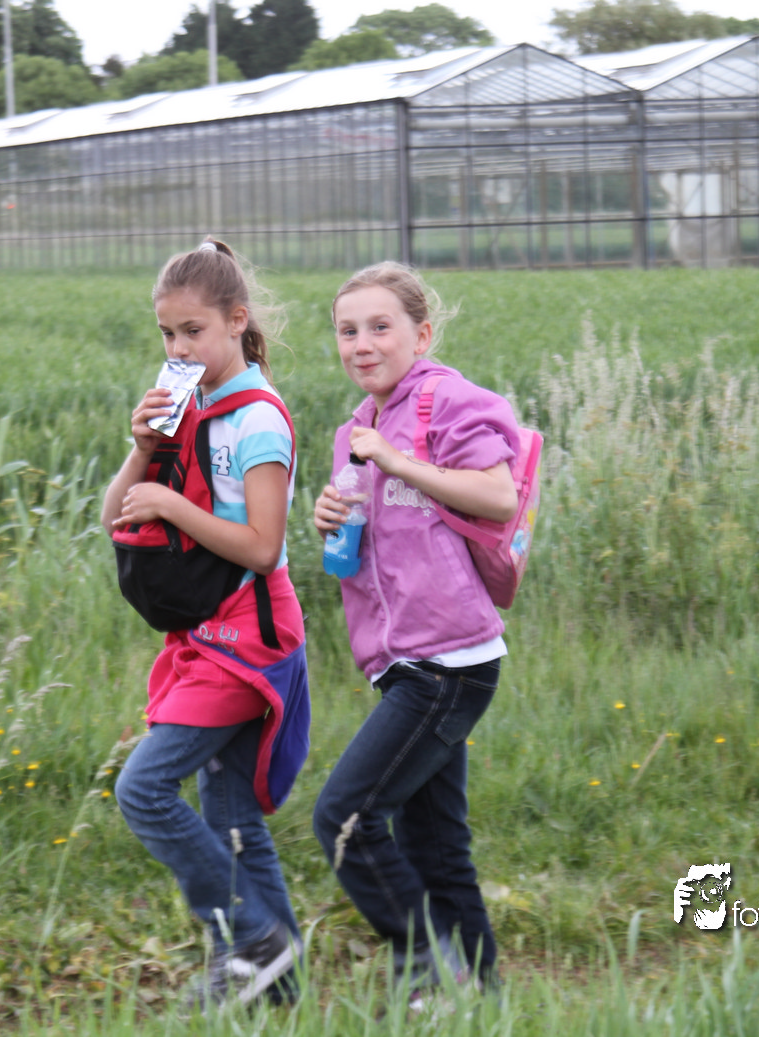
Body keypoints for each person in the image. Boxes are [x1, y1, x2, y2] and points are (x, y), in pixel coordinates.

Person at [103, 238, 310, 1013]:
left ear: (236, 321)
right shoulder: (188, 409)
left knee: (144, 788)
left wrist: (171, 503)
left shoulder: (257, 420)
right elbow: (113, 515)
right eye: (167, 333)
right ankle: (279, 986)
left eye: (193, 331)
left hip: (247, 639)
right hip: (204, 634)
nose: (178, 349)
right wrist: (142, 454)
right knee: (230, 821)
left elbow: (261, 546)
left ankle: (248, 937)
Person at [310, 262, 521, 1008]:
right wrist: (330, 519)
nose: (361, 344)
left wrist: (400, 462)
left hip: (450, 660)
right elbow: (378, 539)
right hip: (399, 661)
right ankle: (482, 998)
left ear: (421, 334)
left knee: (346, 818)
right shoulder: (356, 431)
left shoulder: (446, 401)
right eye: (347, 331)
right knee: (434, 843)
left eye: (380, 326)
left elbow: (497, 495)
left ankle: (433, 968)